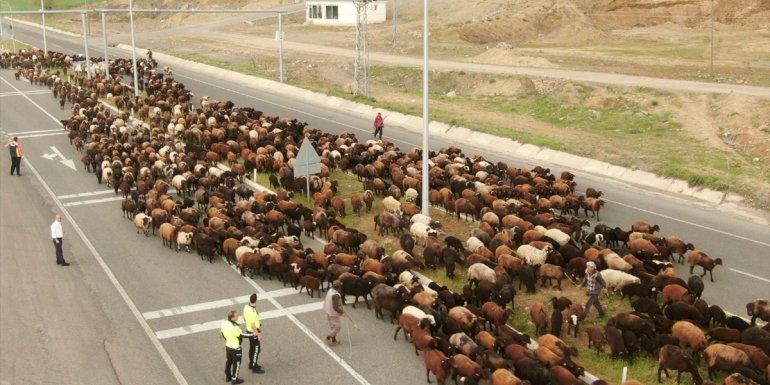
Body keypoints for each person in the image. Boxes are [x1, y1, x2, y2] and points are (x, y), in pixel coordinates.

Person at [221, 310, 249, 384]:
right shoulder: (234, 327)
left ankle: (228, 376)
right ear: (233, 317)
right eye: (237, 316)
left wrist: (227, 339)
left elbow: (222, 333)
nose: (238, 316)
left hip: (228, 346)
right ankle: (234, 379)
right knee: (237, 363)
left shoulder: (224, 322)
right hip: (236, 348)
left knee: (229, 361)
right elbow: (242, 335)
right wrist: (253, 335)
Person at [242, 293, 264, 374]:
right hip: (253, 331)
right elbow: (252, 324)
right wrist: (257, 333)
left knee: (252, 348)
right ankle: (254, 366)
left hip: (249, 330)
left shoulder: (246, 307)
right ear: (256, 300)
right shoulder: (251, 311)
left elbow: (244, 317)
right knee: (256, 350)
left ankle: (251, 363)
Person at [323, 280, 345, 346]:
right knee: (338, 327)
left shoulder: (330, 290)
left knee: (333, 326)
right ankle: (328, 337)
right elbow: (335, 307)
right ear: (338, 286)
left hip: (328, 310)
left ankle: (333, 341)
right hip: (333, 313)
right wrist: (341, 312)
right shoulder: (336, 295)